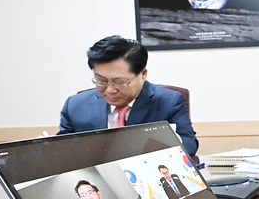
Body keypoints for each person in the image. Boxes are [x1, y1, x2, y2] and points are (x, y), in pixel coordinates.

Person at [58, 36, 198, 159]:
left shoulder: (169, 101)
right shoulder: (75, 105)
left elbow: (189, 143)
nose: (110, 90)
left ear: (143, 74)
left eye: (120, 82)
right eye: (101, 80)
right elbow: (61, 148)